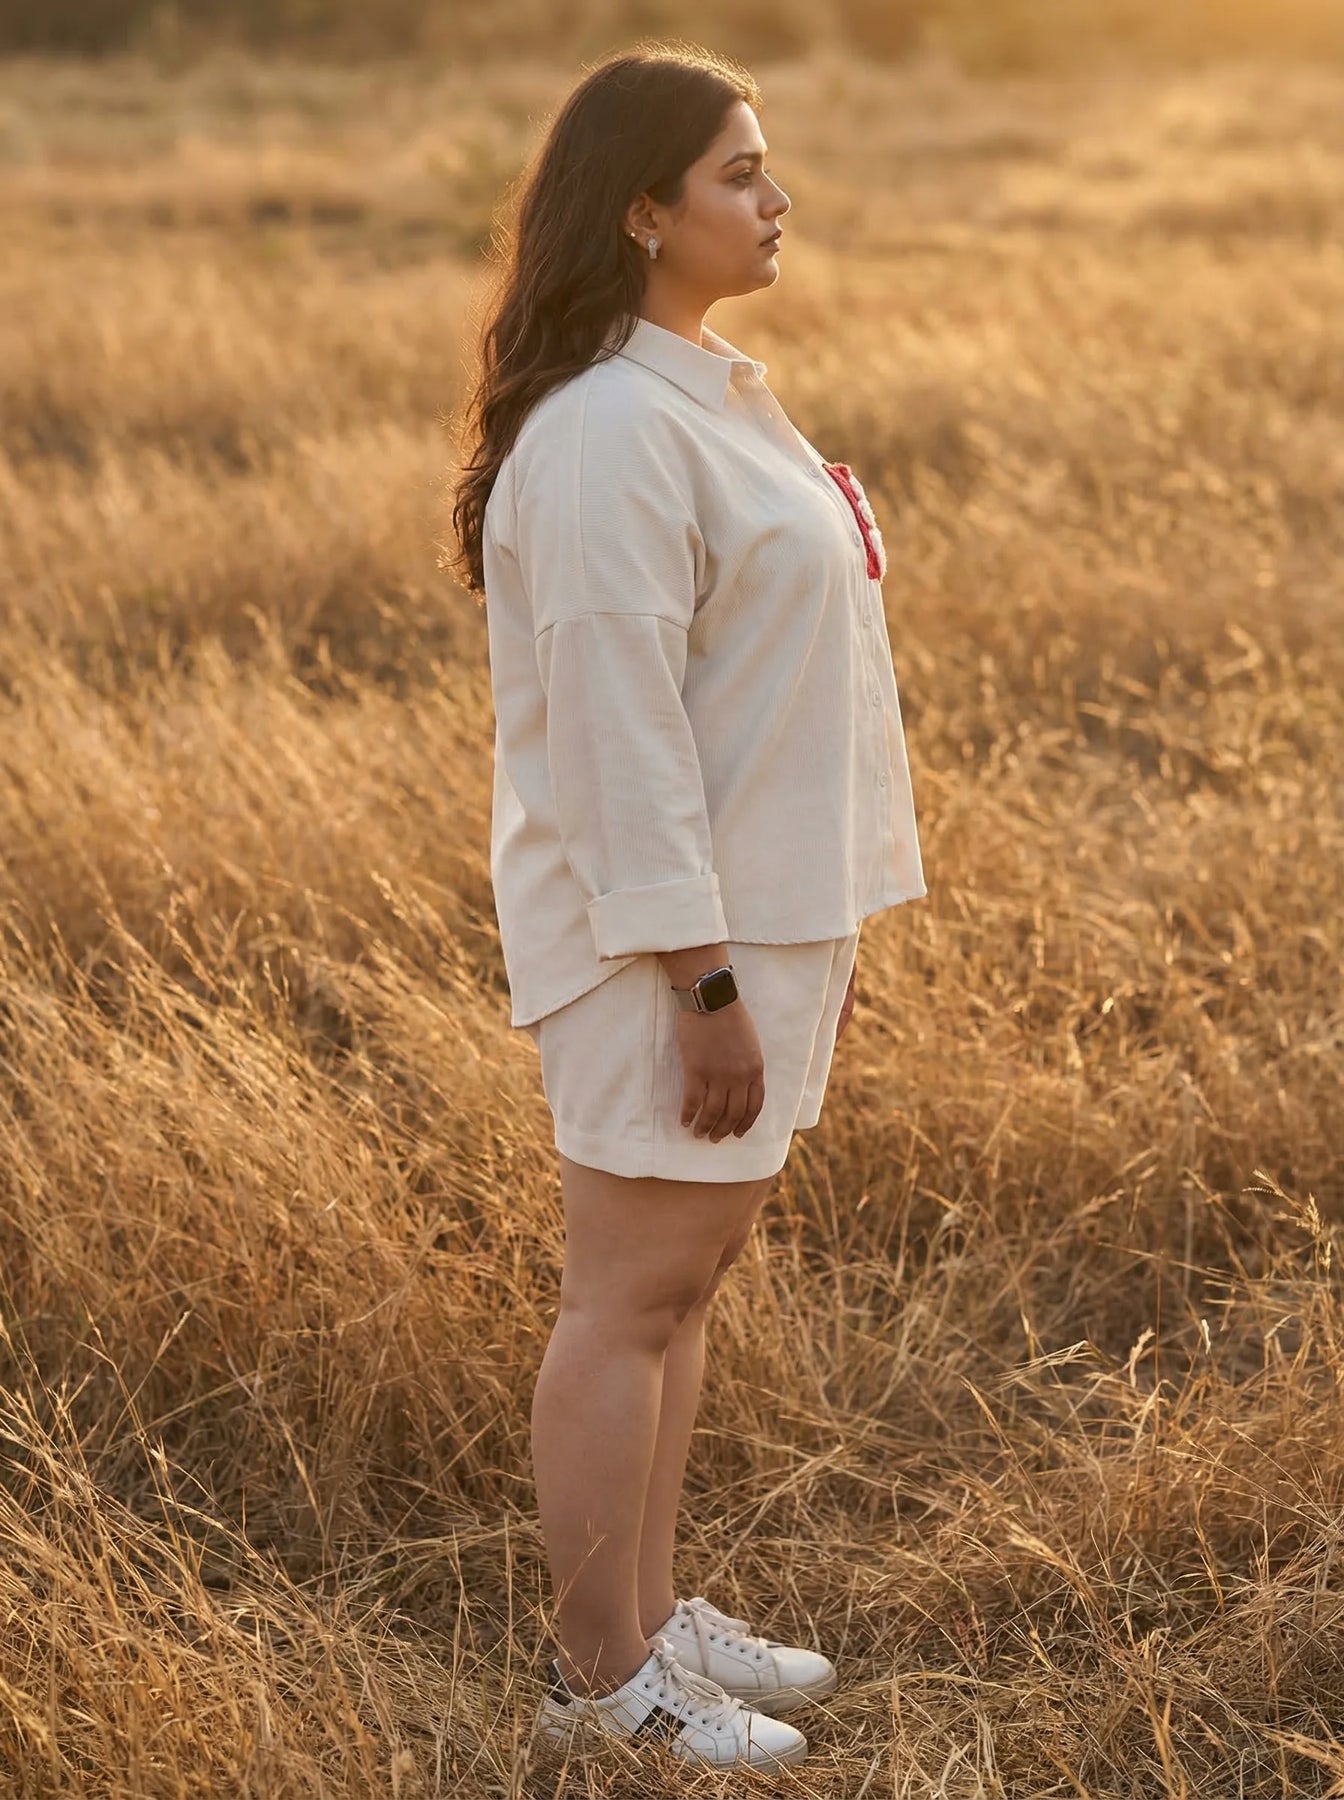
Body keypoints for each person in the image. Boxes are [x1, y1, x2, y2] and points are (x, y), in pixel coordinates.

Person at [447, 42, 926, 1771]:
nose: (777, 198)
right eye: (740, 172)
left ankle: (645, 1613)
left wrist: (815, 939)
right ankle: (601, 1687)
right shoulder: (602, 436)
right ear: (644, 209)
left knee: (687, 1287)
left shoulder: (710, 397)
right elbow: (619, 737)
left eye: (768, 166)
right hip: (668, 948)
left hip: (760, 922)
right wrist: (705, 983)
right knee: (627, 1298)